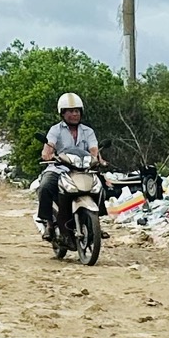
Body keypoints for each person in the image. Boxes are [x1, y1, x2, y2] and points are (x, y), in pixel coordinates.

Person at [38, 93, 101, 240]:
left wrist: (98, 159)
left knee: (101, 185)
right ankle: (49, 224)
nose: (75, 114)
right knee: (46, 186)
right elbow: (49, 147)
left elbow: (94, 151)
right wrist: (48, 154)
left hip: (82, 169)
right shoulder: (55, 130)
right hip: (60, 169)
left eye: (77, 111)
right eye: (71, 111)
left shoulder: (88, 131)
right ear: (63, 113)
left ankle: (97, 221)